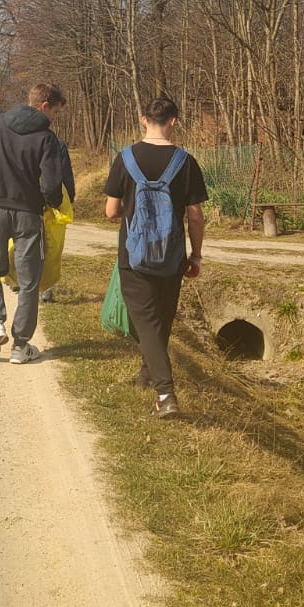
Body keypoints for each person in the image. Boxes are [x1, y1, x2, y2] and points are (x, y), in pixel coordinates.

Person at [104, 95, 207, 418]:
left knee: (147, 323)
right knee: (161, 320)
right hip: (172, 256)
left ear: (143, 120)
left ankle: (165, 394)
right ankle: (146, 375)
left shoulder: (125, 159)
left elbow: (111, 211)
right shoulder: (185, 162)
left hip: (133, 257)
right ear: (174, 122)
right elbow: (195, 216)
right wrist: (196, 256)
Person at [0, 83, 68, 364]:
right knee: (29, 281)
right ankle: (20, 346)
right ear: (44, 106)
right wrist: (53, 204)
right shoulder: (47, 138)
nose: (53, 118)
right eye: (55, 112)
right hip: (29, 214)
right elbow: (51, 184)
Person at [39, 135, 77, 304]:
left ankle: (21, 280)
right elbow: (65, 174)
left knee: (25, 240)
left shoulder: (20, 140)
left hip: (27, 199)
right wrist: (69, 198)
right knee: (51, 245)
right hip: (53, 200)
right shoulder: (57, 144)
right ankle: (46, 289)